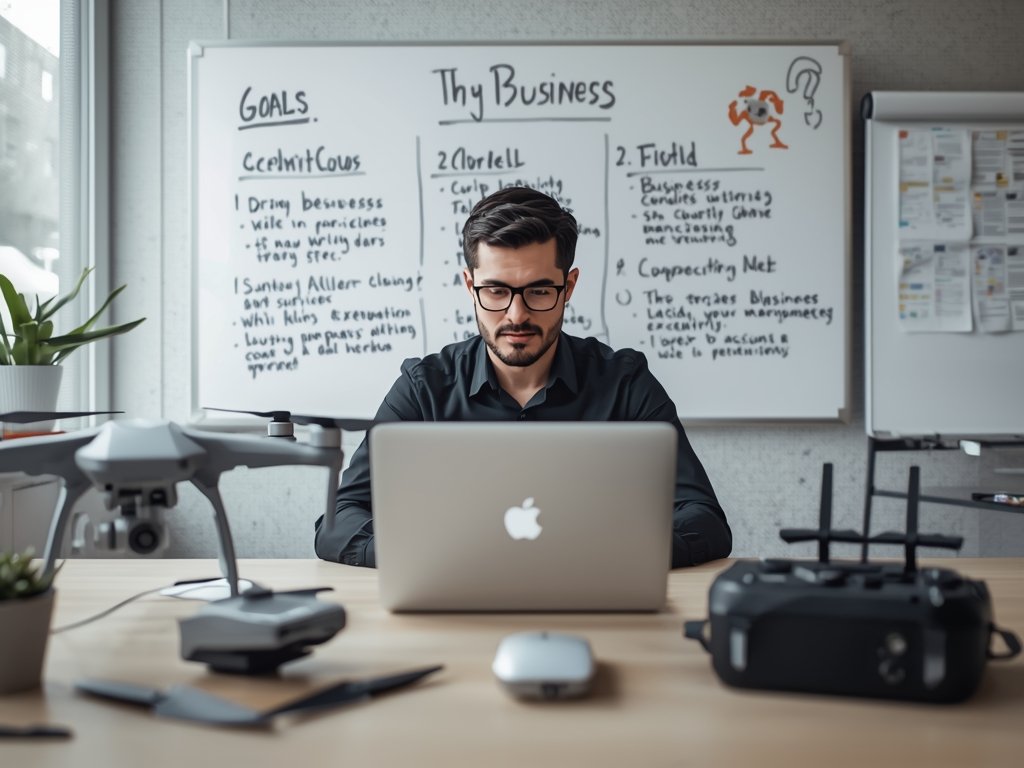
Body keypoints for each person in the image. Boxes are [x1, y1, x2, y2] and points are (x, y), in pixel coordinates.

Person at [315, 186, 732, 568]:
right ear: (469, 284)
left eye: (538, 290)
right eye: (495, 291)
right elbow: (338, 522)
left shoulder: (624, 384)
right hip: (456, 599)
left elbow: (704, 520)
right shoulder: (425, 388)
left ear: (568, 286)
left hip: (592, 604)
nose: (517, 315)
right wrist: (430, 556)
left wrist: (601, 556)